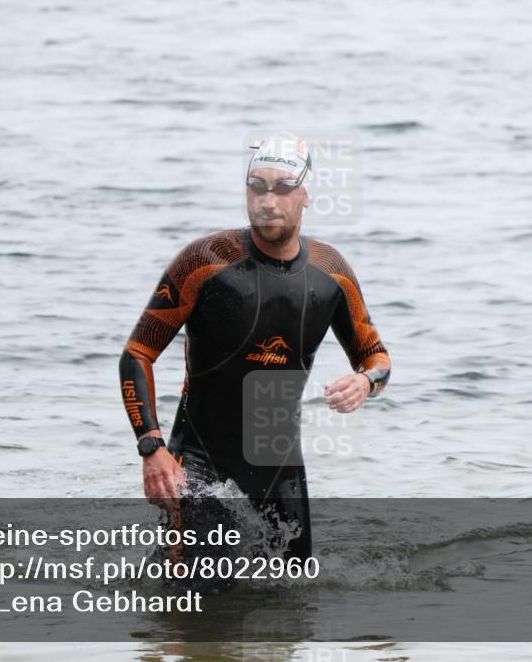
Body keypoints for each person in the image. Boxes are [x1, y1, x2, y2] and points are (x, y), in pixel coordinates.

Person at [118, 132, 391, 559]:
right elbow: (138, 352)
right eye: (257, 186)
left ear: (306, 196)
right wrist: (151, 448)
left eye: (283, 187)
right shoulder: (205, 260)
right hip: (200, 460)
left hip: (280, 467)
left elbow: (376, 357)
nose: (267, 200)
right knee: (192, 598)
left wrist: (366, 382)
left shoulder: (331, 272)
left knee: (294, 601)